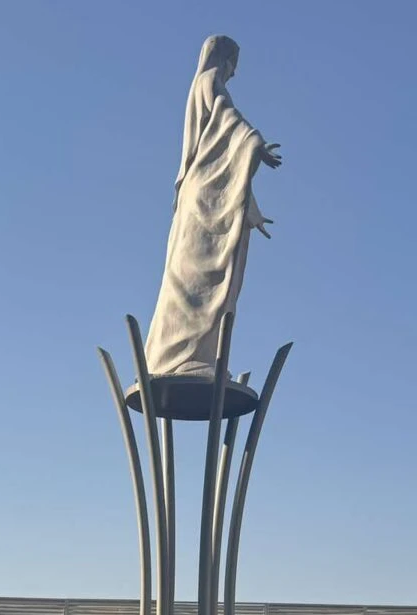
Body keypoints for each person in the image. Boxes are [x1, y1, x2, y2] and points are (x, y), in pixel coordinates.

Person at [144, 33, 282, 379]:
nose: (234, 74)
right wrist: (256, 143)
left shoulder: (203, 85)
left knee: (202, 281)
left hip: (205, 196)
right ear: (224, 59)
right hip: (202, 202)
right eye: (234, 65)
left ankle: (196, 355)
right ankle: (176, 357)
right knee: (191, 279)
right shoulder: (209, 81)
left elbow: (218, 150)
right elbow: (226, 120)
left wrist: (248, 207)